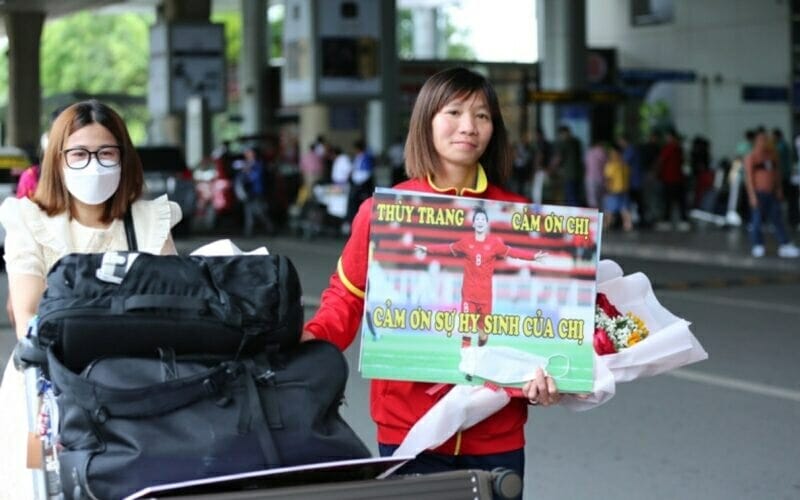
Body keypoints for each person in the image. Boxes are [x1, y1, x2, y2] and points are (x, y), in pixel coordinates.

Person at [301, 67, 560, 494]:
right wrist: (306, 338)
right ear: (426, 121)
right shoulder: (386, 213)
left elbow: (539, 321)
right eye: (454, 111)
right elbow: (346, 299)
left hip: (495, 428)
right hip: (409, 425)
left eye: (482, 116)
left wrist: (549, 378)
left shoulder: (520, 217)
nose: (468, 127)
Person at [0, 100, 183, 498]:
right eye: (79, 154)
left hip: (136, 388)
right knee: (35, 482)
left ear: (124, 158)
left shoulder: (151, 219)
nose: (94, 165)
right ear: (58, 160)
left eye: (106, 153)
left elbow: (177, 304)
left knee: (136, 485)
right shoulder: (26, 220)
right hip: (43, 397)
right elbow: (28, 317)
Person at [414, 207, 546, 350]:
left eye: (483, 219)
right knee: (466, 329)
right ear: (473, 224)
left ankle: (479, 348)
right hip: (468, 295)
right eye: (477, 219)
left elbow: (513, 252)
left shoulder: (495, 244)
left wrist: (532, 257)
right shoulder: (465, 242)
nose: (480, 221)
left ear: (487, 223)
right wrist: (428, 249)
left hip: (485, 297)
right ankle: (467, 364)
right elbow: (447, 248)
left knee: (483, 334)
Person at [743, 130, 799, 258]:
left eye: (766, 139)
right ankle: (758, 244)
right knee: (757, 220)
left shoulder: (772, 155)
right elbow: (749, 179)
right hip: (758, 193)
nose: (765, 142)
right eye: (762, 139)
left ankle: (785, 244)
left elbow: (776, 174)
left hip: (771, 193)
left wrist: (778, 189)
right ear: (757, 142)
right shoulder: (751, 157)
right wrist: (752, 196)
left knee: (777, 219)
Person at [551, 125, 584, 206]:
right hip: (578, 174)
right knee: (577, 196)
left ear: (564, 133)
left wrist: (551, 168)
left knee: (570, 197)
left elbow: (558, 158)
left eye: (561, 135)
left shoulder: (565, 143)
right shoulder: (577, 142)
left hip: (569, 175)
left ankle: (573, 215)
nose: (561, 137)